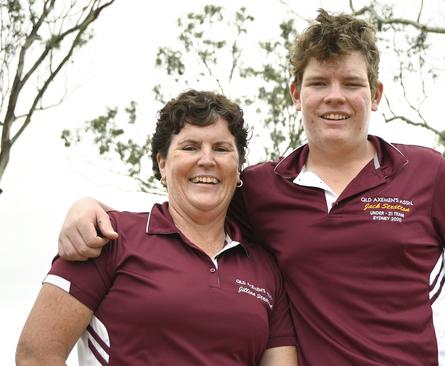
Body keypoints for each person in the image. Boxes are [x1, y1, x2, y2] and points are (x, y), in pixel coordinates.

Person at [53, 9, 445, 366]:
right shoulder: (261, 189)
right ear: (296, 94)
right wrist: (87, 205)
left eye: (351, 82)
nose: (334, 96)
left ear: (376, 94)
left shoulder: (426, 174)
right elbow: (190, 201)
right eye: (318, 82)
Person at [16, 90, 298, 365]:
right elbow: (35, 354)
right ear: (162, 164)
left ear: (238, 169)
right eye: (190, 147)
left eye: (222, 149)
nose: (207, 160)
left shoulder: (265, 268)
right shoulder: (108, 237)